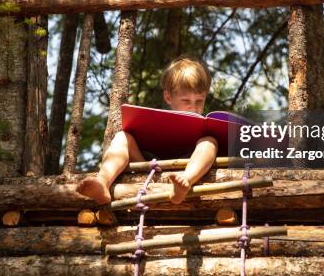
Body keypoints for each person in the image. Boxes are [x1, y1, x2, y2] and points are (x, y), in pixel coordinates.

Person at [76, 54, 218, 205]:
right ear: (168, 97)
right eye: (186, 101)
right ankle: (102, 182)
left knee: (210, 142)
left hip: (187, 166)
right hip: (147, 164)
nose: (194, 107)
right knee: (122, 137)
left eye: (199, 101)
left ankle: (185, 182)